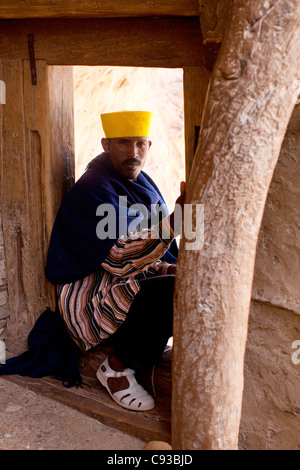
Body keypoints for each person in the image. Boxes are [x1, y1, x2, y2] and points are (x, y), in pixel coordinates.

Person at [45, 110, 186, 411]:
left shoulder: (143, 183)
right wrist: (176, 222)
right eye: (123, 143)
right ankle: (117, 368)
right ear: (106, 145)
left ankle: (146, 349)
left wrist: (173, 263)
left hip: (129, 280)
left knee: (188, 281)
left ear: (149, 146)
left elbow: (152, 248)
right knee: (174, 290)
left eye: (140, 144)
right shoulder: (93, 189)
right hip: (92, 296)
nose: (133, 153)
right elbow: (118, 258)